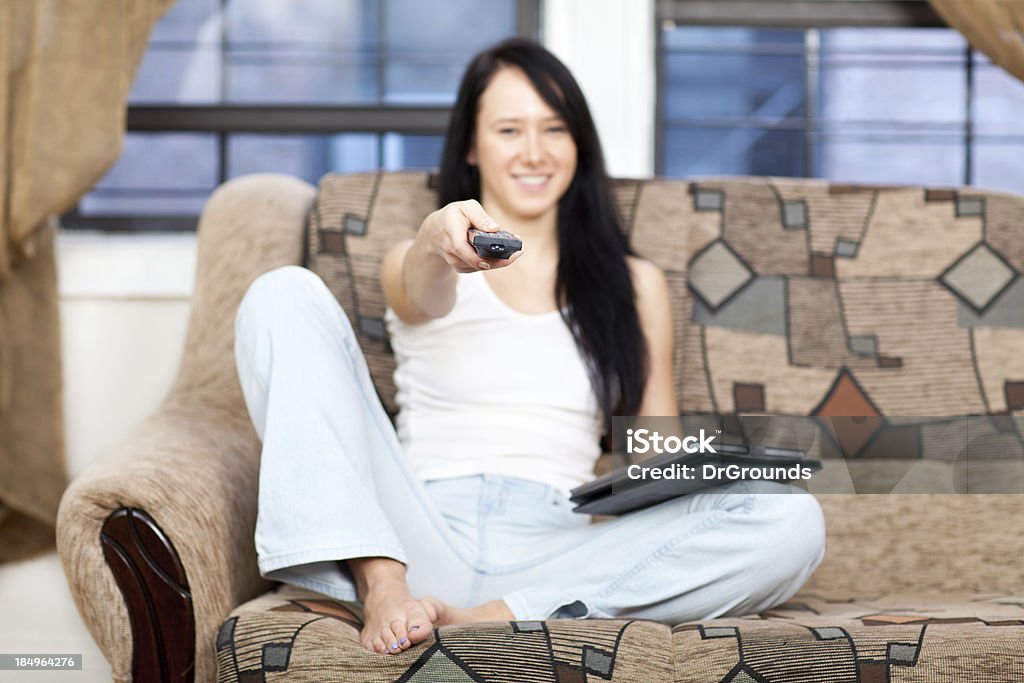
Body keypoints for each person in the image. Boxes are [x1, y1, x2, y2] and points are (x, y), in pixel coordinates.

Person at [233, 38, 825, 657]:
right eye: (510, 130)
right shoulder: (425, 263)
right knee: (283, 293)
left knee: (792, 519)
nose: (535, 153)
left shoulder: (635, 284)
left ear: (579, 144)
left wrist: (731, 464)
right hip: (416, 531)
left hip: (552, 549)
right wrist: (437, 240)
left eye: (555, 129)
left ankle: (495, 617)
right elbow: (421, 289)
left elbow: (653, 453)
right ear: (471, 144)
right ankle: (380, 584)